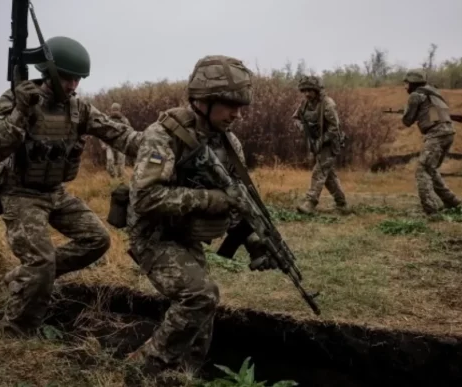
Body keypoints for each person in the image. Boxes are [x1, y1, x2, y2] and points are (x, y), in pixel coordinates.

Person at [124, 55, 277, 375]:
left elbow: (235, 200)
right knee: (199, 296)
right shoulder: (162, 136)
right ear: (202, 100)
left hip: (187, 237)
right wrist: (212, 200)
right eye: (229, 104)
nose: (237, 114)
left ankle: (180, 376)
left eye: (241, 106)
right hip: (154, 236)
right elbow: (146, 198)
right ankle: (142, 370)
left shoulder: (229, 143)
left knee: (203, 313)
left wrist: (252, 239)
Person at [0, 36, 143, 335]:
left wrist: (162, 147)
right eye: (68, 78)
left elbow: (120, 135)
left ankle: (26, 276)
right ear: (49, 73)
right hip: (20, 193)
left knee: (97, 240)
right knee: (42, 261)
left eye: (78, 79)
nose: (73, 86)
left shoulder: (78, 109)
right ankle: (16, 332)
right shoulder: (15, 99)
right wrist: (21, 110)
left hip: (55, 192)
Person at [401, 70, 461, 215]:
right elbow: (435, 115)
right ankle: (451, 201)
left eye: (407, 83)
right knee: (431, 169)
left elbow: (407, 121)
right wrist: (421, 114)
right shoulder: (433, 92)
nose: (405, 87)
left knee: (422, 171)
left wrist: (407, 111)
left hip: (437, 135)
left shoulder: (416, 95)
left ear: (413, 83)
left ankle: (430, 209)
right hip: (448, 133)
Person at [292, 75, 348, 214]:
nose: (306, 94)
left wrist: (321, 141)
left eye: (309, 91)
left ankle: (310, 202)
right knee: (328, 176)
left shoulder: (327, 104)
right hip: (315, 143)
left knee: (319, 172)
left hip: (329, 144)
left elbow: (335, 128)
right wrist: (302, 128)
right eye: (304, 91)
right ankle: (342, 203)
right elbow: (296, 118)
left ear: (317, 90)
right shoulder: (305, 104)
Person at [100, 102, 130, 179]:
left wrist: (127, 143)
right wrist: (103, 144)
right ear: (111, 110)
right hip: (109, 143)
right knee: (110, 160)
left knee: (121, 161)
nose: (115, 111)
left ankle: (120, 178)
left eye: (116, 109)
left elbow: (129, 132)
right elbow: (101, 132)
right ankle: (112, 176)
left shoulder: (124, 120)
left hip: (121, 144)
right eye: (113, 109)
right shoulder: (107, 120)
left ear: (119, 110)